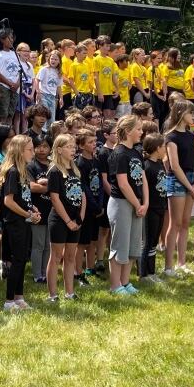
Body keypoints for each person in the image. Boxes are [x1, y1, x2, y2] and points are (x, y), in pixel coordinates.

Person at [0, 135, 40, 311]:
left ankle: (19, 297)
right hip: (15, 223)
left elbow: (24, 197)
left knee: (22, 260)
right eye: (29, 149)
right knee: (17, 260)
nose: (33, 152)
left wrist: (33, 208)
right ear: (19, 152)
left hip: (24, 221)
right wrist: (27, 215)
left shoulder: (24, 171)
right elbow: (8, 201)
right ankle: (9, 301)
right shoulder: (13, 172)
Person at [107, 115, 148, 294]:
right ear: (129, 131)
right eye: (138, 129)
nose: (141, 132)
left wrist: (145, 202)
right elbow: (123, 184)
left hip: (137, 203)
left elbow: (142, 178)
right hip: (122, 204)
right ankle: (115, 285)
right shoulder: (119, 153)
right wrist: (137, 204)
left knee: (132, 246)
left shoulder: (136, 152)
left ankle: (125, 282)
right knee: (120, 245)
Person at [164, 100, 194, 275]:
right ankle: (169, 266)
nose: (193, 116)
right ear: (180, 113)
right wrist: (190, 186)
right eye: (190, 112)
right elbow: (174, 165)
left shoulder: (192, 135)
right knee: (175, 223)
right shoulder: (170, 137)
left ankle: (181, 262)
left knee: (186, 223)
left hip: (192, 179)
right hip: (177, 180)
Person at [46, 134, 85, 301]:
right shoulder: (54, 171)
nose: (73, 150)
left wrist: (79, 219)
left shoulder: (76, 170)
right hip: (60, 220)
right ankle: (53, 294)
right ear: (59, 149)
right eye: (69, 147)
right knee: (56, 257)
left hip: (75, 220)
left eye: (74, 147)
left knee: (70, 256)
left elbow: (82, 196)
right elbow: (55, 199)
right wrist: (68, 221)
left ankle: (69, 292)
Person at [75, 129, 103, 287]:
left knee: (93, 240)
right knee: (82, 243)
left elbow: (98, 183)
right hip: (86, 208)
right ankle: (78, 273)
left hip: (96, 208)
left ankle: (90, 269)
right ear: (81, 145)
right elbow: (84, 188)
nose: (94, 145)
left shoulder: (96, 161)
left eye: (94, 141)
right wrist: (94, 206)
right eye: (90, 142)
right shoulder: (80, 163)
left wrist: (100, 205)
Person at [141, 133, 167, 282]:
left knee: (154, 241)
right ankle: (144, 274)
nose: (165, 149)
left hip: (161, 207)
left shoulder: (160, 163)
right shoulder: (147, 166)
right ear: (157, 148)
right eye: (163, 147)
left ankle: (152, 272)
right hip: (151, 209)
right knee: (148, 241)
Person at [27, 136, 52, 283]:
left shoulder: (53, 165)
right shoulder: (31, 165)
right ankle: (37, 275)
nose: (42, 149)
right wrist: (52, 188)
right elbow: (31, 186)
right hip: (36, 210)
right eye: (38, 146)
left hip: (52, 210)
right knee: (38, 244)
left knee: (48, 245)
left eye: (45, 146)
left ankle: (45, 272)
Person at [95, 120, 117, 275]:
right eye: (115, 133)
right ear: (106, 135)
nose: (117, 135)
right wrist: (113, 194)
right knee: (103, 230)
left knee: (112, 229)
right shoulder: (103, 153)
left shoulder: (118, 150)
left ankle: (112, 255)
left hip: (117, 193)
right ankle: (99, 259)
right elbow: (104, 179)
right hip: (109, 195)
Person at [0, 29, 21, 126]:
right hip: (4, 87)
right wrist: (9, 84)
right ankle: (0, 135)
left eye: (12, 37)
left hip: (15, 88)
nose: (12, 40)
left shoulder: (15, 54)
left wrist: (17, 84)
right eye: (9, 37)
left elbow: (19, 70)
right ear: (2, 39)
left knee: (11, 114)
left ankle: (8, 135)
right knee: (3, 114)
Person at [93, 35, 119, 119]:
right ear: (100, 46)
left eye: (109, 46)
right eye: (106, 46)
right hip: (99, 92)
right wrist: (99, 92)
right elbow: (95, 77)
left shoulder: (110, 60)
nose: (108, 48)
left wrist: (117, 89)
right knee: (98, 115)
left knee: (108, 114)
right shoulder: (96, 59)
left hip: (108, 92)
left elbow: (113, 76)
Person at [35, 50, 63, 126]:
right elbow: (37, 80)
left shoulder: (59, 72)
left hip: (52, 97)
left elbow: (59, 86)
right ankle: (42, 134)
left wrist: (61, 98)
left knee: (51, 117)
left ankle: (50, 135)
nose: (53, 61)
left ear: (59, 61)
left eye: (56, 59)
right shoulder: (44, 69)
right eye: (52, 58)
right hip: (43, 95)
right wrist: (38, 92)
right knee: (43, 115)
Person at [13, 42, 35, 134]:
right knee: (18, 115)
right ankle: (18, 134)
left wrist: (32, 94)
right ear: (18, 52)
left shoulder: (29, 65)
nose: (27, 53)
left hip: (29, 92)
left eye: (28, 51)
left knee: (26, 116)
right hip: (20, 92)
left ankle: (25, 134)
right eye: (24, 51)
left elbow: (34, 81)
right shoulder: (16, 64)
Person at [71, 43, 96, 109]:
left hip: (87, 93)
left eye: (86, 53)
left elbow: (88, 79)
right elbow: (71, 80)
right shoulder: (73, 65)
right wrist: (76, 93)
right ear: (77, 53)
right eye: (84, 53)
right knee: (78, 114)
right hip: (79, 93)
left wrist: (91, 90)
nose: (86, 55)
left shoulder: (86, 65)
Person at [58, 39, 77, 120]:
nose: (75, 49)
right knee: (64, 114)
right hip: (65, 91)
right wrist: (73, 86)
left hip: (70, 91)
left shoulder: (70, 60)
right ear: (66, 48)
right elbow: (63, 77)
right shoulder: (64, 60)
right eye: (73, 48)